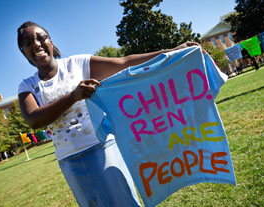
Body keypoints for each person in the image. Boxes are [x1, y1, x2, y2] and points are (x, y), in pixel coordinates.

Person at [17, 21, 198, 207]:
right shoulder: (27, 86)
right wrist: (73, 96)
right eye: (28, 42)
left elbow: (124, 63)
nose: (36, 44)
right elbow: (34, 119)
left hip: (101, 148)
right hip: (69, 161)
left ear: (51, 41)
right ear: (23, 50)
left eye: (41, 38)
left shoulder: (77, 64)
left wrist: (173, 51)